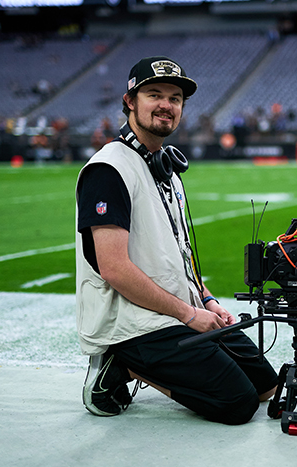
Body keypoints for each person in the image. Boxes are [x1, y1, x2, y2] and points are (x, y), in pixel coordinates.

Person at [75, 56, 278, 425]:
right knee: (238, 404)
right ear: (130, 101)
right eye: (154, 94)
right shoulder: (109, 170)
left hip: (180, 311)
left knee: (267, 386)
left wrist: (208, 301)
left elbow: (182, 256)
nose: (166, 105)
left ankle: (158, 353)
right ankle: (121, 364)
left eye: (175, 98)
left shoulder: (167, 171)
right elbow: (114, 268)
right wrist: (188, 314)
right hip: (134, 322)